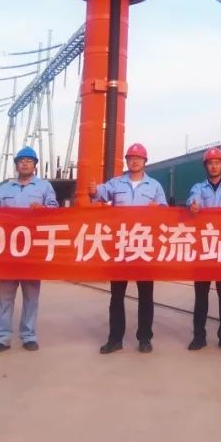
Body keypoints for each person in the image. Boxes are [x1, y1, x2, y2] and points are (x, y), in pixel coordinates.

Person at [0, 146, 58, 353]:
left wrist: (44, 209)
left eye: (29, 161)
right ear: (16, 165)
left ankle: (29, 336)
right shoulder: (4, 189)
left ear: (35, 165)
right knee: (5, 297)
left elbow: (55, 211)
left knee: (31, 296)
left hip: (32, 250)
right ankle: (2, 338)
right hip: (8, 251)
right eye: (21, 160)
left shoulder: (44, 187)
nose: (25, 163)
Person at [90, 143, 168, 354]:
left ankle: (145, 338)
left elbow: (165, 212)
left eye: (138, 158)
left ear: (145, 162)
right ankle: (115, 339)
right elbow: (99, 193)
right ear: (126, 161)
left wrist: (159, 209)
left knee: (145, 295)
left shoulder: (154, 186)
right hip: (121, 246)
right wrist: (93, 190)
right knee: (117, 295)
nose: (134, 161)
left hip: (144, 246)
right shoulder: (116, 183)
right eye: (131, 158)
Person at [185, 147, 221, 351]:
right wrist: (193, 206)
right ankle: (199, 337)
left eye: (217, 163)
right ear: (206, 166)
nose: (214, 166)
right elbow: (192, 200)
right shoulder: (198, 188)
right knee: (201, 295)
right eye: (210, 163)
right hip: (203, 248)